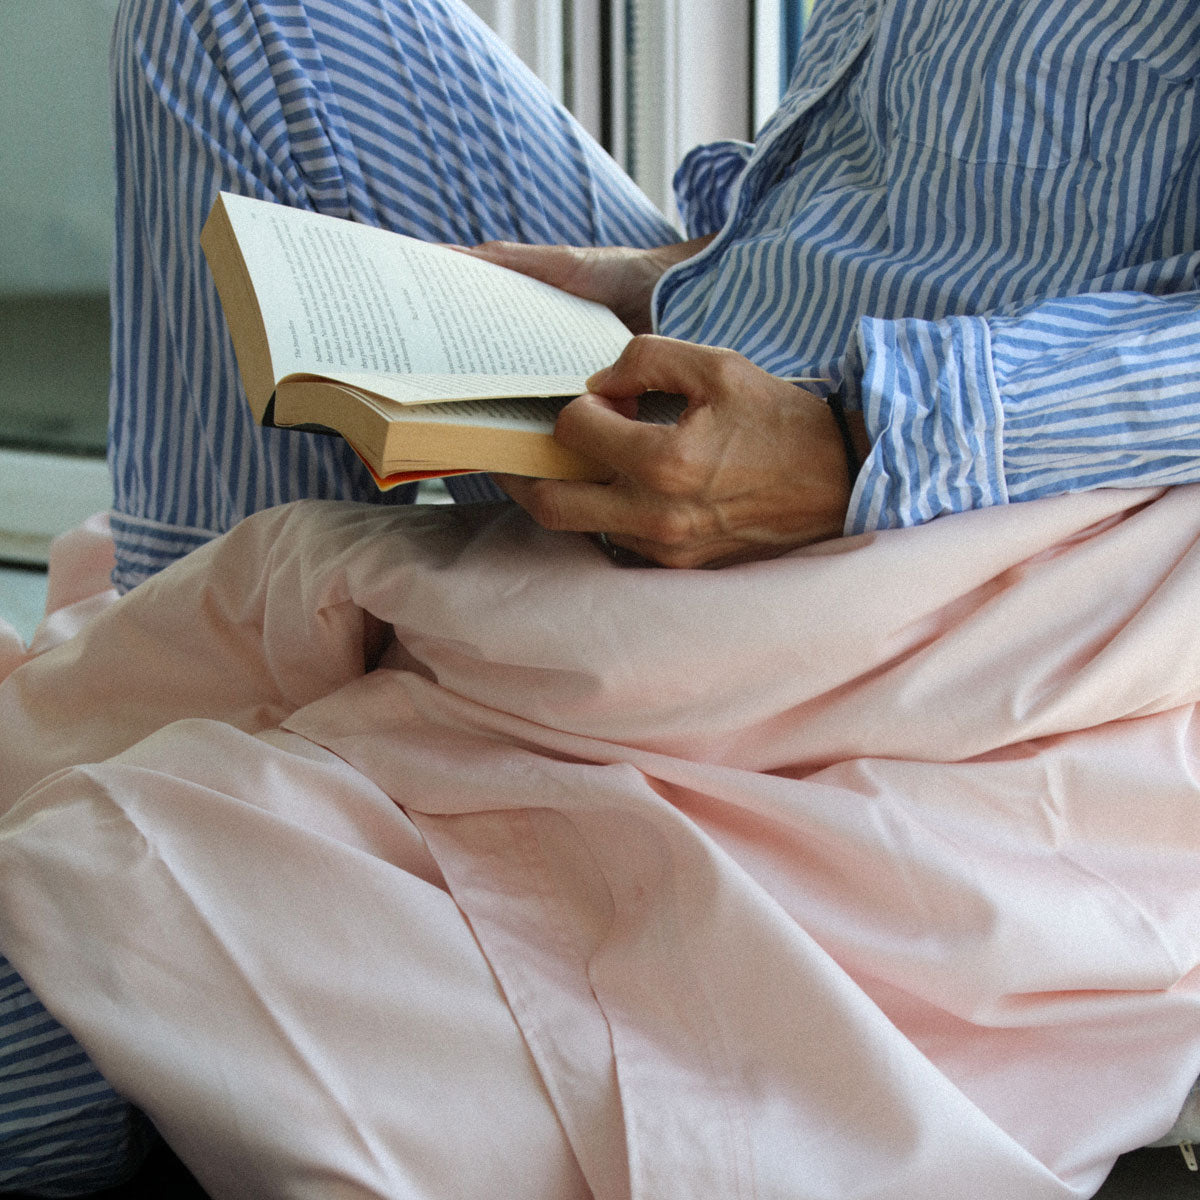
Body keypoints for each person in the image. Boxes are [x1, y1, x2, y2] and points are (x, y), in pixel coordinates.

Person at [1, 0, 1199, 1193]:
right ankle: (177, 673)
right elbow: (947, 197)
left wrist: (850, 442)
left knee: (94, 960)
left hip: (972, 518)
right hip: (751, 340)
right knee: (237, 23)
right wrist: (670, 275)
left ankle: (146, 917)